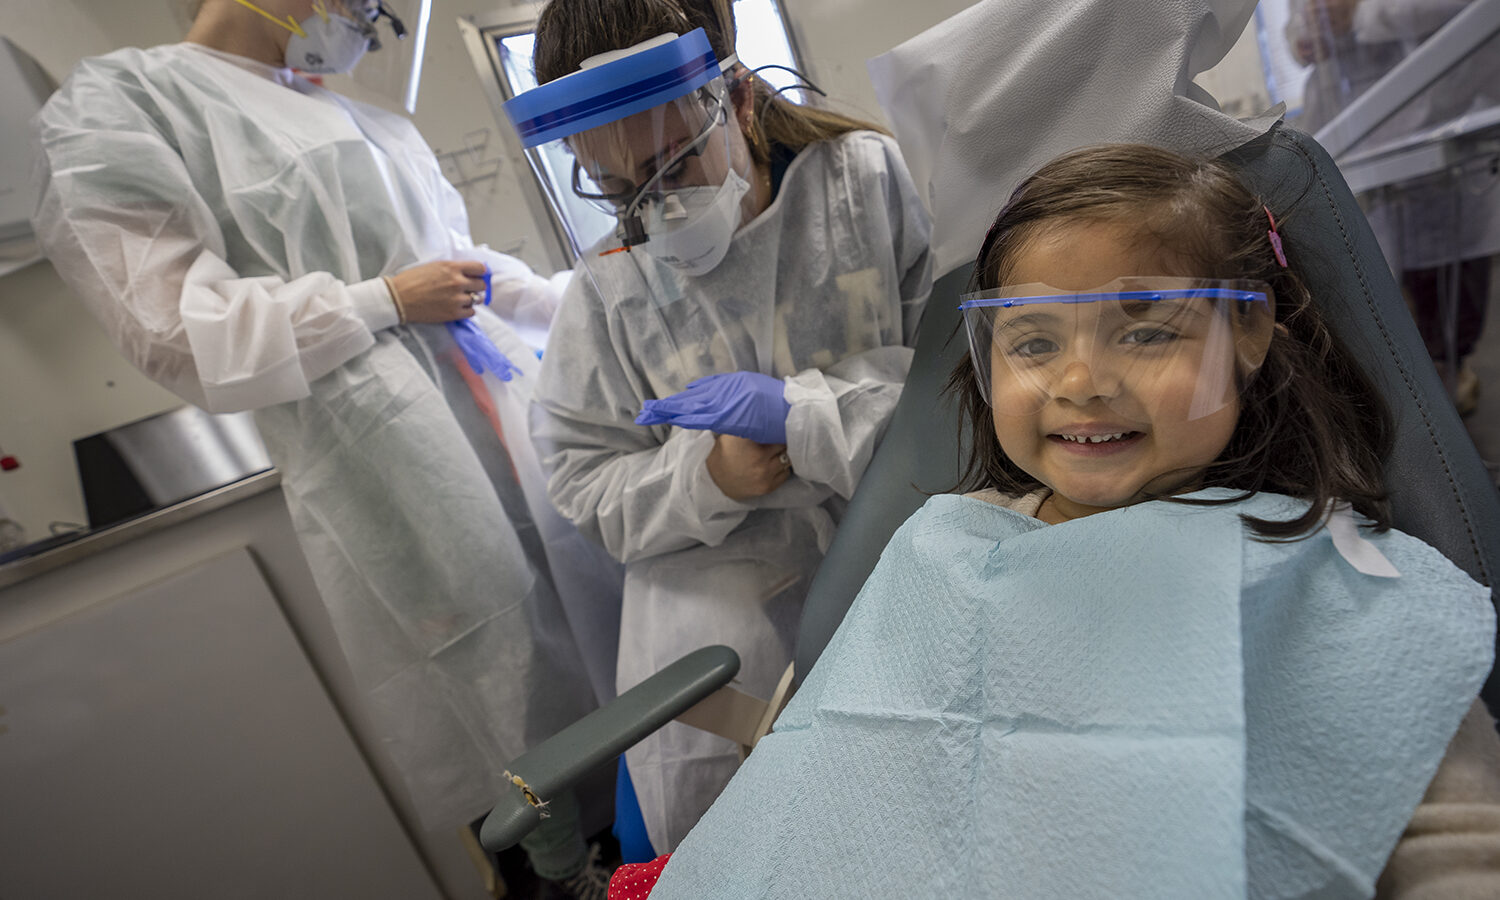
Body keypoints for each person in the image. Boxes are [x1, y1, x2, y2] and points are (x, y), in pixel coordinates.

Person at [600, 144, 1499, 898]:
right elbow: (821, 772)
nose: (1080, 382)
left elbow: (1446, 833)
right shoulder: (945, 543)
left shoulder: (1320, 567)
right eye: (1033, 343)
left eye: (1145, 331)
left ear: (1251, 333)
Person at [30, 1, 618, 895]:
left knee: (584, 633)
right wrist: (380, 301)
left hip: (504, 421)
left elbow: (465, 273)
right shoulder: (130, 100)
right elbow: (175, 332)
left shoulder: (360, 114)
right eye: (365, 5)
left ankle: (632, 848)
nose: (368, 20)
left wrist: (609, 291)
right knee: (500, 675)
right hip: (390, 460)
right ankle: (563, 873)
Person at [508, 0, 931, 857]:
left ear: (735, 99)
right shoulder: (607, 290)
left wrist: (805, 418)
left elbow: (959, 380)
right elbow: (585, 481)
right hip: (718, 639)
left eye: (672, 171)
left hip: (900, 569)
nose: (655, 215)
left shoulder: (862, 184)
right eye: (621, 193)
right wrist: (705, 479)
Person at [1287, 0, 1500, 415]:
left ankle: (1446, 380)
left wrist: (1363, 15)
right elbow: (1299, 25)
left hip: (1438, 114)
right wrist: (1305, 38)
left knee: (1446, 290)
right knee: (1367, 290)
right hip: (1349, 131)